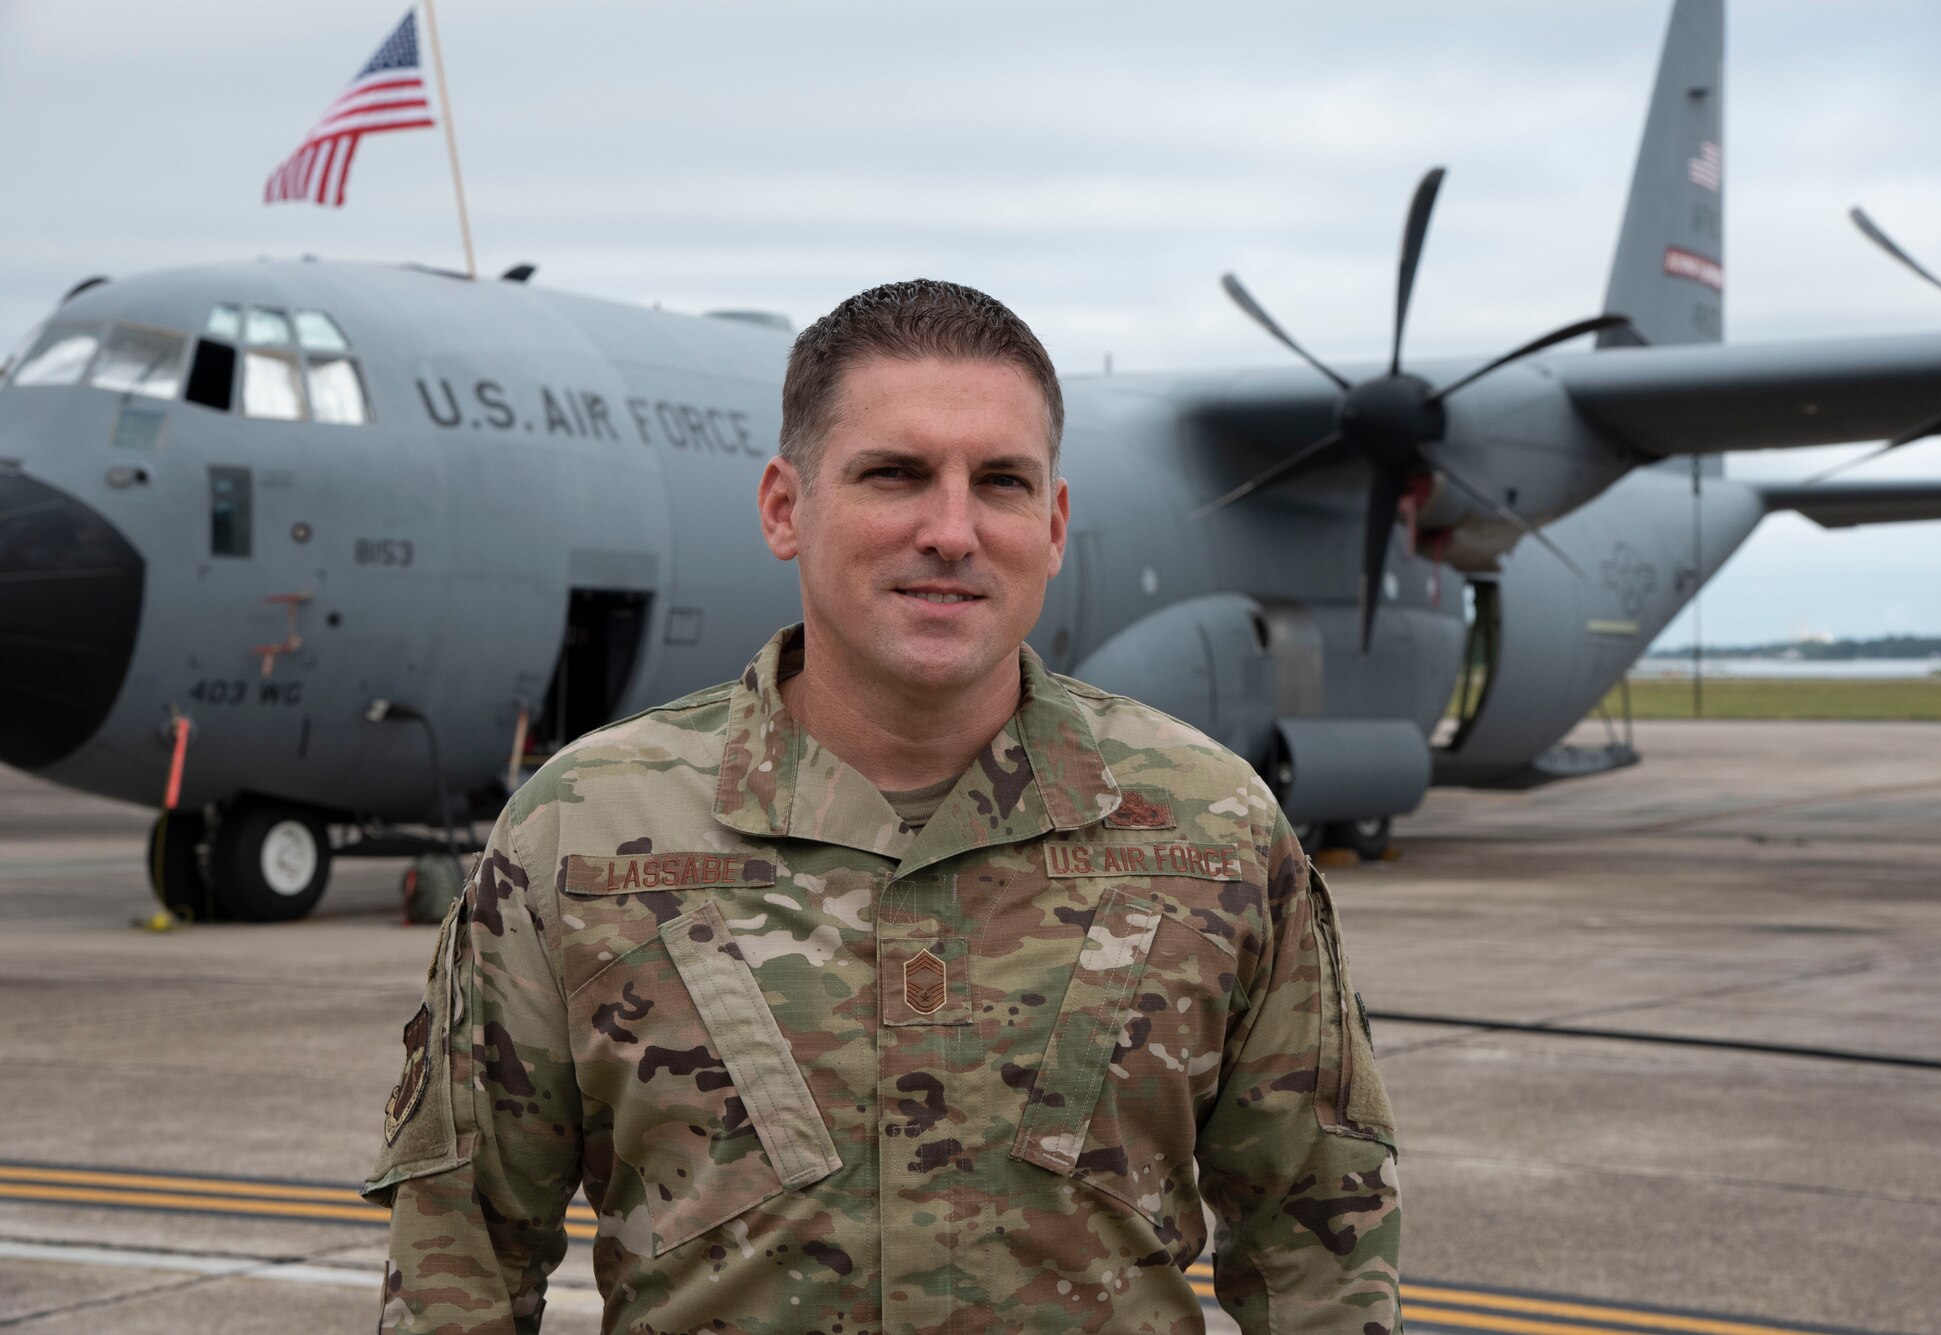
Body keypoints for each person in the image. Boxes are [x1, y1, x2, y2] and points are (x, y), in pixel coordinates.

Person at [364, 279, 1401, 1334]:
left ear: (1051, 524)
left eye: (998, 482)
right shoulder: (582, 832)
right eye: (893, 475)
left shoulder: (1212, 827)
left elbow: (1319, 1246)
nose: (950, 530)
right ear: (784, 507)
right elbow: (464, 1251)